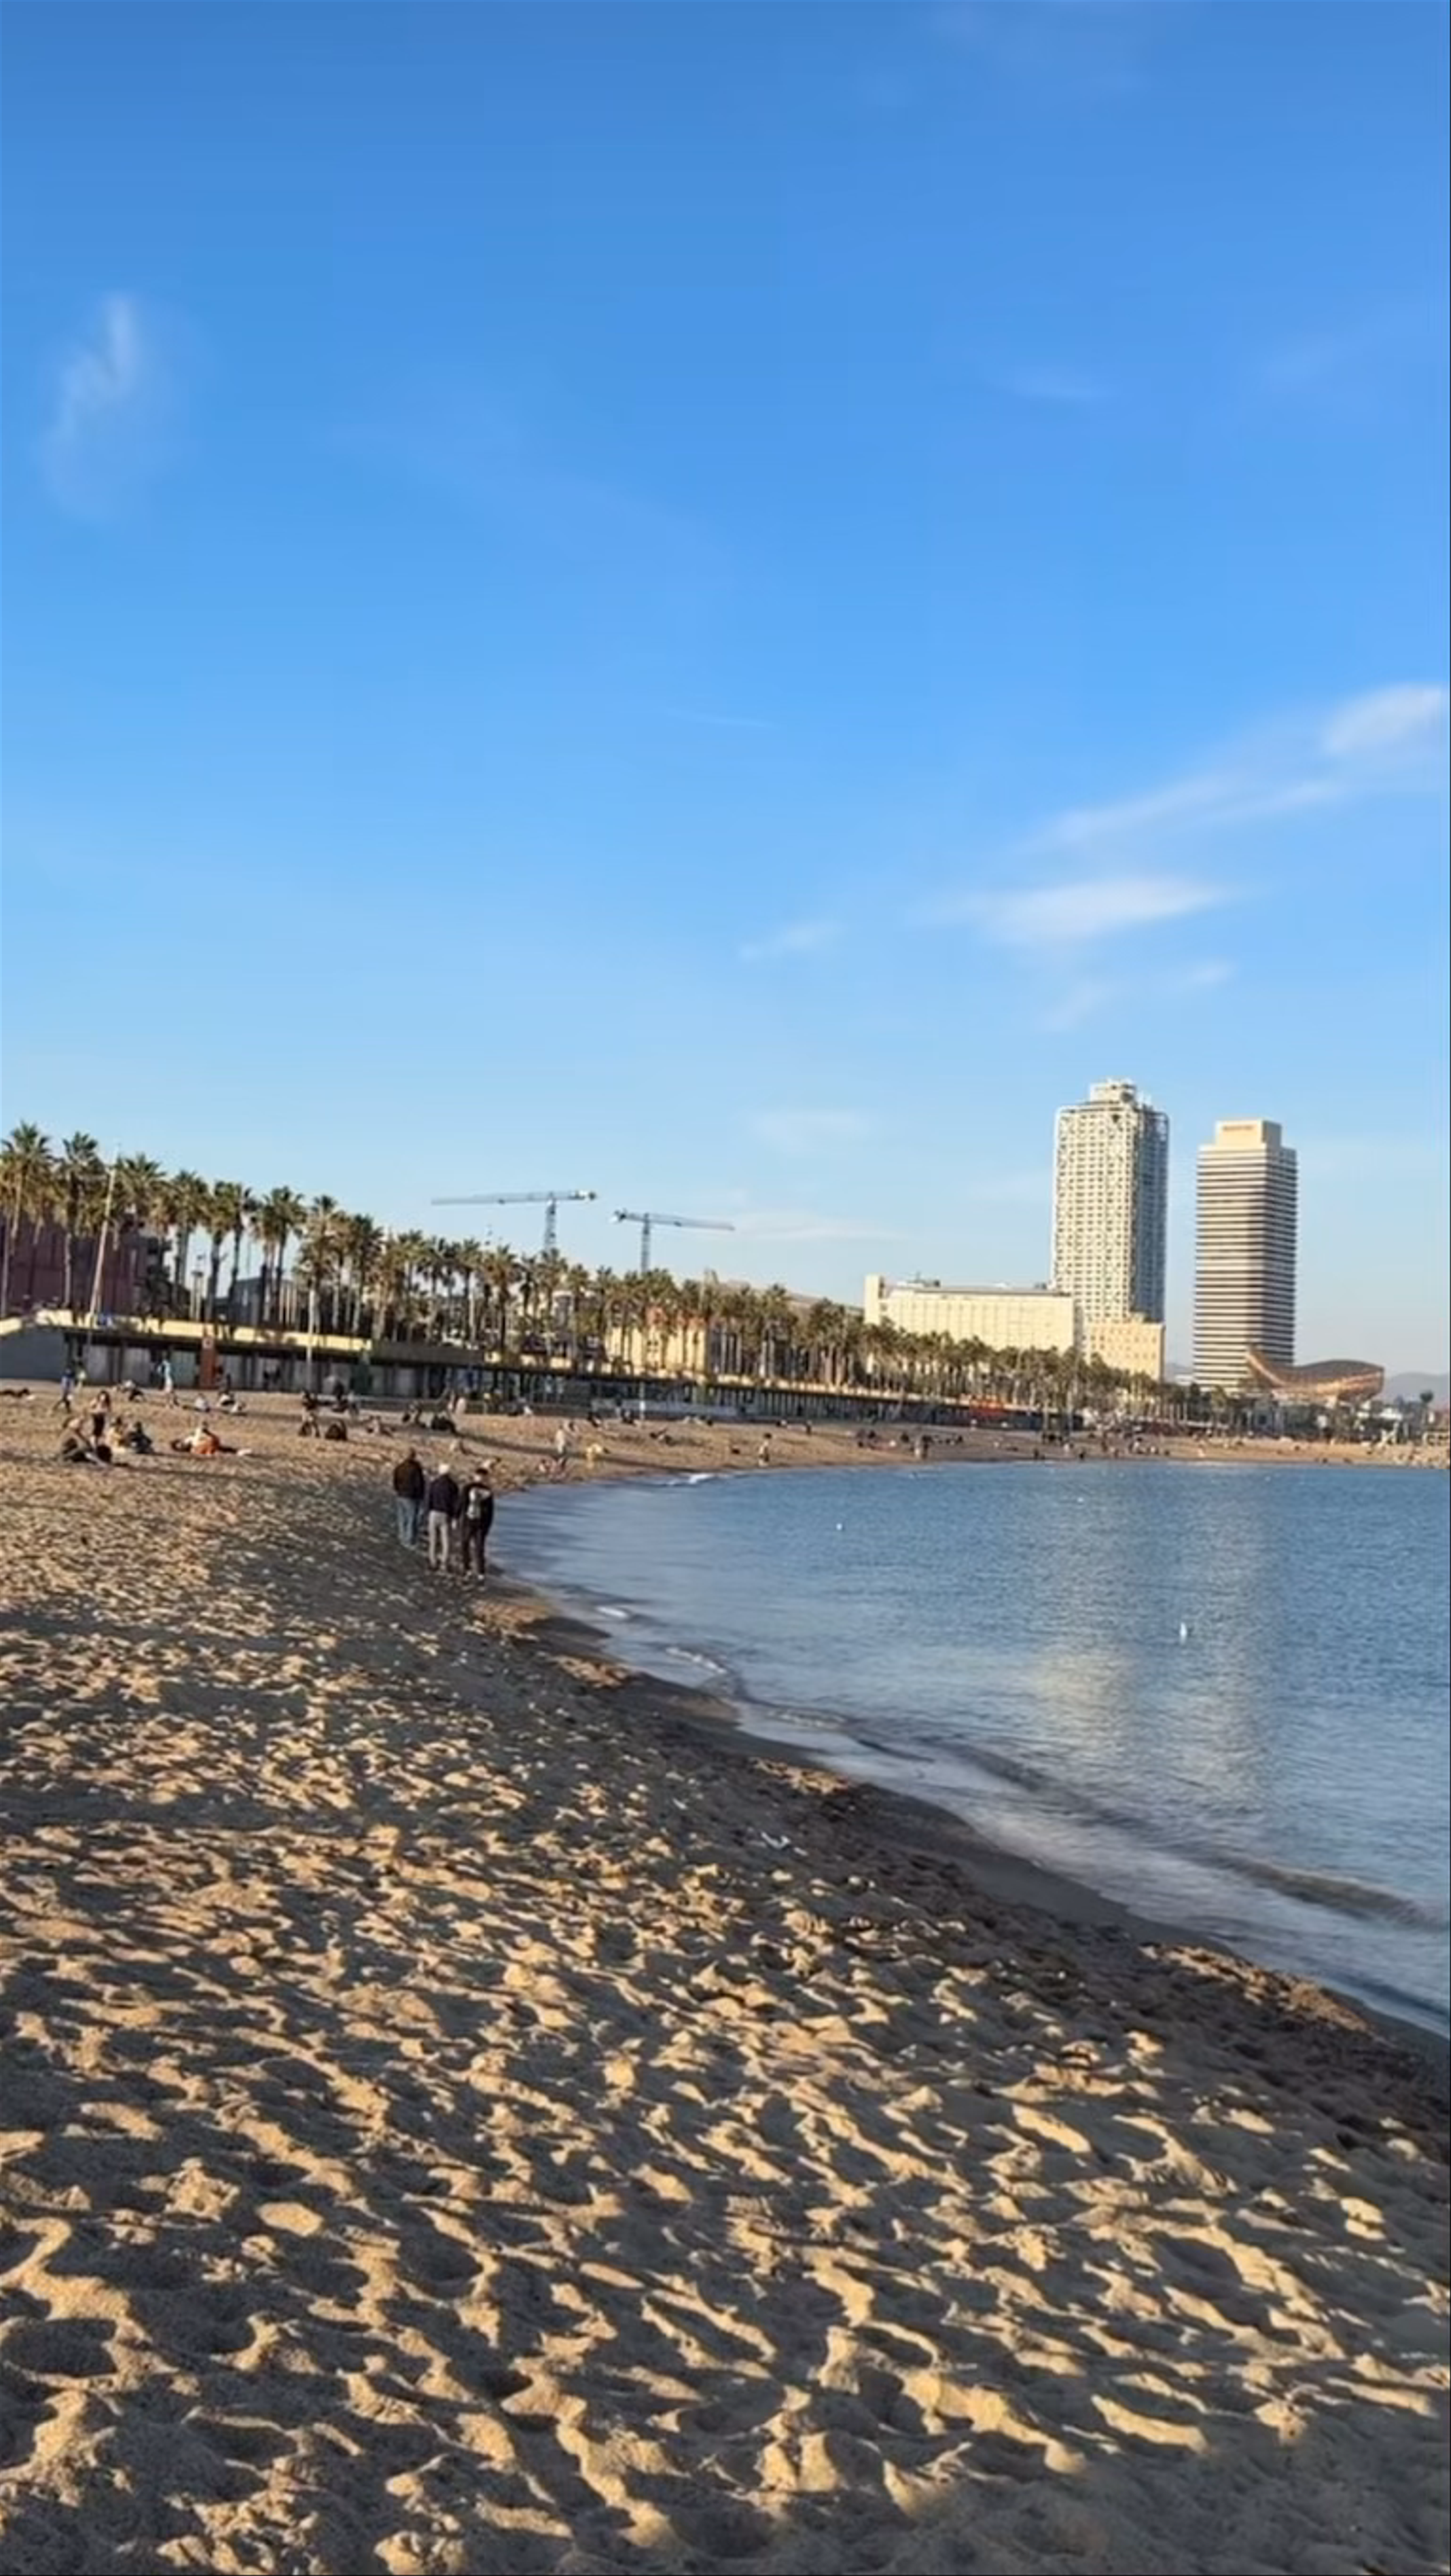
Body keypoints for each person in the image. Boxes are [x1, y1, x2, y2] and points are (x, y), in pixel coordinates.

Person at [425, 1463, 461, 1571]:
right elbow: (456, 1503)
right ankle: (444, 1563)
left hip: (434, 1513)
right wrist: (455, 1517)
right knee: (446, 1540)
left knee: (433, 1540)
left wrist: (427, 1512)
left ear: (440, 1472)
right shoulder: (453, 1486)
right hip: (446, 1514)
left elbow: (429, 1499)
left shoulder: (434, 1484)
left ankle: (433, 1562)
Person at [459, 1468, 495, 1575]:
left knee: (471, 1546)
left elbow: (490, 1511)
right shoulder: (484, 1491)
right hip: (474, 1521)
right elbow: (462, 1504)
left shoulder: (484, 1491)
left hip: (475, 1522)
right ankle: (475, 1571)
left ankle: (474, 1570)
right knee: (475, 1547)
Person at [392, 1448, 426, 1546]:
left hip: (401, 1495)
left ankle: (402, 1537)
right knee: (412, 1518)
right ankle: (409, 1539)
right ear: (414, 1456)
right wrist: (421, 1496)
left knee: (402, 1517)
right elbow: (419, 1484)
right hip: (412, 1496)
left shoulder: (399, 1468)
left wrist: (398, 1490)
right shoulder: (416, 1469)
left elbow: (395, 1481)